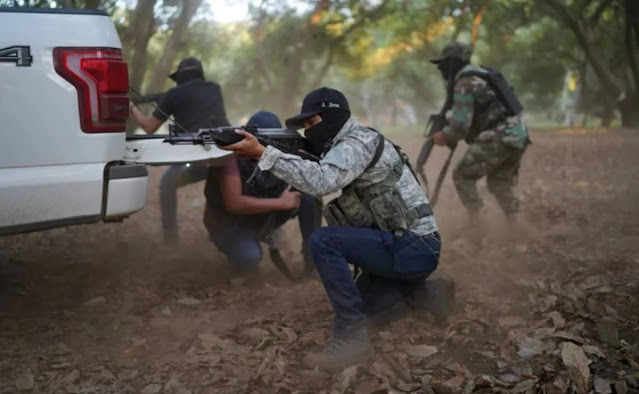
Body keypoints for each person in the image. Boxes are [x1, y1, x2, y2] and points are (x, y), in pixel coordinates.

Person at [221, 87, 451, 370]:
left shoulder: (357, 142)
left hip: (413, 246)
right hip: (407, 246)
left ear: (332, 116)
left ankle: (351, 339)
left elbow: (321, 181)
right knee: (369, 308)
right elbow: (320, 165)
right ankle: (426, 293)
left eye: (311, 124)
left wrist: (263, 152)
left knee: (323, 240)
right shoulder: (349, 142)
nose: (309, 133)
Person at [203, 111, 322, 274]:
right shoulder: (231, 158)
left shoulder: (281, 151)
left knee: (310, 198)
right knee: (249, 258)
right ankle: (234, 245)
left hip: (261, 215)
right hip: (229, 224)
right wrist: (281, 203)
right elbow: (234, 204)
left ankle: (313, 261)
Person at [129, 57, 231, 242]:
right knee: (225, 186)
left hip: (198, 157)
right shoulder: (215, 88)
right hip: (226, 155)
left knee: (168, 183)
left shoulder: (173, 94)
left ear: (181, 77)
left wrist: (132, 108)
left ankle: (170, 235)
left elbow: (150, 127)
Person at [429, 42, 530, 221]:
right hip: (519, 135)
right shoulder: (481, 74)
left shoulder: (464, 82)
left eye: (443, 65)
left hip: (499, 136)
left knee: (462, 175)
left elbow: (460, 127)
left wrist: (443, 135)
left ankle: (478, 223)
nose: (441, 70)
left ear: (452, 63)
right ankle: (517, 224)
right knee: (498, 182)